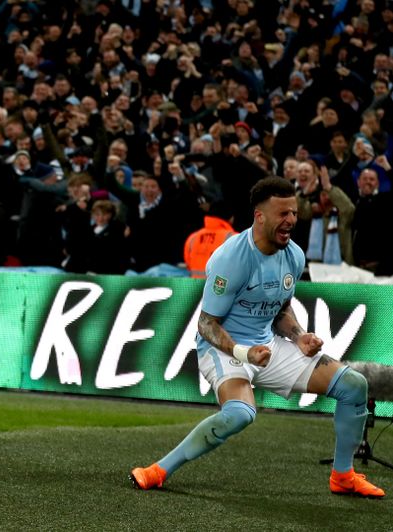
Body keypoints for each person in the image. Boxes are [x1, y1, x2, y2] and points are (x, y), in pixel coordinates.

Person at [131, 177, 385, 499]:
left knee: (353, 386)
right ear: (260, 216)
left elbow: (280, 310)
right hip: (223, 348)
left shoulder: (293, 254)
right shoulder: (231, 258)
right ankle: (159, 470)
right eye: (283, 214)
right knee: (238, 414)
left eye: (293, 212)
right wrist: (243, 352)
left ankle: (343, 475)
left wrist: (298, 336)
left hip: (266, 345)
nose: (291, 220)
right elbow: (206, 324)